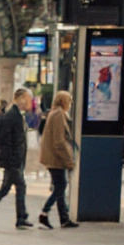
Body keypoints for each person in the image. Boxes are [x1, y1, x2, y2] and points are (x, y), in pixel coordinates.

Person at [0, 88, 32, 229]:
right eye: (27, 99)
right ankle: (21, 217)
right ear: (20, 99)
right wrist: (12, 156)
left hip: (14, 160)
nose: (29, 103)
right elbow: (5, 137)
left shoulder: (16, 114)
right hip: (13, 161)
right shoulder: (12, 115)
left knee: (5, 188)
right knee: (21, 186)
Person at [38, 90, 78, 229]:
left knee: (59, 186)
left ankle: (64, 219)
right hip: (55, 158)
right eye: (69, 100)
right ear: (63, 101)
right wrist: (68, 160)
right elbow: (59, 140)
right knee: (61, 186)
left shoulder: (55, 113)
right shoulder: (58, 115)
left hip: (52, 157)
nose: (70, 103)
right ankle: (44, 212)